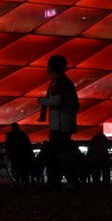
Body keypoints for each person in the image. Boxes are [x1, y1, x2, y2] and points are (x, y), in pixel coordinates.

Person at [36, 54, 80, 189]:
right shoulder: (67, 82)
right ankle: (57, 181)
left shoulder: (57, 82)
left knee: (60, 154)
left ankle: (66, 181)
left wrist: (41, 101)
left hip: (59, 125)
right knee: (58, 153)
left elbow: (56, 100)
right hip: (66, 123)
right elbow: (76, 104)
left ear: (50, 67)